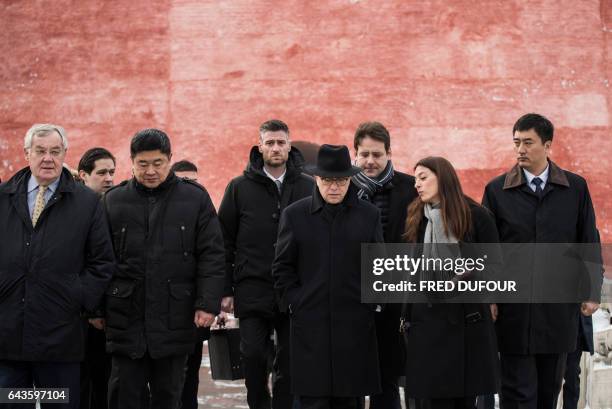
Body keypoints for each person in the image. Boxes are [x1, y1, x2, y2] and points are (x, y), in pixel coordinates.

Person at [482, 113, 601, 409]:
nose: (520, 149)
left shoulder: (575, 188)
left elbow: (588, 239)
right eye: (516, 142)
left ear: (547, 145)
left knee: (549, 390)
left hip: (557, 309)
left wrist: (591, 290)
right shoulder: (497, 191)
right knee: (517, 392)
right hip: (514, 310)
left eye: (528, 142)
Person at [103, 129, 226, 409]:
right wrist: (96, 309)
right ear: (131, 162)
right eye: (143, 164)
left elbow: (212, 254)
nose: (150, 171)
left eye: (158, 163)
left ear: (169, 160)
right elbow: (99, 258)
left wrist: (207, 304)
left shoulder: (194, 199)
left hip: (176, 316)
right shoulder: (114, 201)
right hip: (126, 318)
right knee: (123, 395)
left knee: (169, 396)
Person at [0, 123, 115, 409]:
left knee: (59, 403)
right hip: (8, 338)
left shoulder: (86, 202)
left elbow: (102, 261)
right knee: (13, 403)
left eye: (55, 151)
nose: (47, 158)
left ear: (65, 154)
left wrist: (77, 298)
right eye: (40, 151)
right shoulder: (4, 198)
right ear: (27, 153)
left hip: (60, 338)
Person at [272, 144, 383, 409]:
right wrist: (296, 301)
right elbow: (282, 267)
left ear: (349, 180)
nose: (335, 187)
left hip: (354, 326)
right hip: (310, 327)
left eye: (341, 180)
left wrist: (370, 304)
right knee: (313, 400)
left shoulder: (369, 215)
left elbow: (378, 265)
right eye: (328, 181)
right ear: (317, 179)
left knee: (350, 400)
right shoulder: (295, 215)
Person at [218, 119, 313, 409]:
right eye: (269, 142)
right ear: (260, 147)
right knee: (254, 356)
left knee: (290, 360)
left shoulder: (308, 186)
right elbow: (224, 241)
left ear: (289, 145)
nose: (275, 147)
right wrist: (225, 289)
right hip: (252, 287)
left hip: (295, 289)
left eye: (280, 142)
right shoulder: (238, 188)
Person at [401, 156, 501, 409]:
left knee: (461, 399)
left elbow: (494, 266)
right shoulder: (417, 216)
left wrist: (465, 275)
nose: (417, 185)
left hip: (465, 322)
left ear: (443, 178)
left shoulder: (477, 216)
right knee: (428, 400)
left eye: (423, 178)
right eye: (415, 180)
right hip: (426, 320)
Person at [351, 121, 418, 409]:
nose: (369, 161)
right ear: (355, 154)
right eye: (364, 154)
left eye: (377, 154)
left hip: (395, 296)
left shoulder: (410, 187)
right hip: (351, 294)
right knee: (349, 374)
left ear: (389, 153)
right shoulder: (342, 187)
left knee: (388, 376)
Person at [77, 147, 117, 409]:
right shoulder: (72, 212)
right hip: (78, 314)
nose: (109, 178)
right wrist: (90, 308)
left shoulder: (114, 207)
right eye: (101, 173)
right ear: (83, 175)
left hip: (110, 313)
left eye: (112, 172)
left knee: (105, 382)